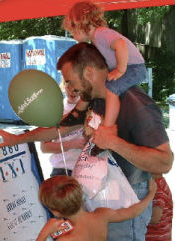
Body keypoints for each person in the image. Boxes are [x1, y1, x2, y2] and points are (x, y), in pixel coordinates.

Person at [0, 42, 173, 240]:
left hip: (126, 201)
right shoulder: (93, 98)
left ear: (88, 73)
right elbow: (60, 128)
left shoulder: (136, 104)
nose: (70, 87)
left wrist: (113, 142)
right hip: (100, 196)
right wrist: (17, 139)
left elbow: (164, 162)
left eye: (70, 81)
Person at [61, 1, 147, 155]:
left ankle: (107, 131)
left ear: (81, 24)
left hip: (134, 67)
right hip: (131, 67)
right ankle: (95, 121)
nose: (73, 36)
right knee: (107, 87)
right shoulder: (97, 37)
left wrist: (120, 69)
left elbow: (120, 44)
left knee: (111, 89)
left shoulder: (101, 34)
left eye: (73, 31)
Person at [36, 175, 157, 241]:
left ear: (56, 212)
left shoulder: (68, 239)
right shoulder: (101, 215)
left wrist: (45, 232)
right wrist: (151, 193)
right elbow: (133, 212)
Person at [40, 78, 85, 176]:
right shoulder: (54, 109)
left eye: (76, 87)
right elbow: (44, 147)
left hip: (86, 170)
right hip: (61, 169)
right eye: (69, 86)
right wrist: (72, 144)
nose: (72, 91)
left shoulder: (90, 108)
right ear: (64, 85)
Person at [145, 174, 173, 241]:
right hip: (162, 236)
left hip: (154, 237)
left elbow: (155, 218)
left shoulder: (157, 188)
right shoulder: (161, 183)